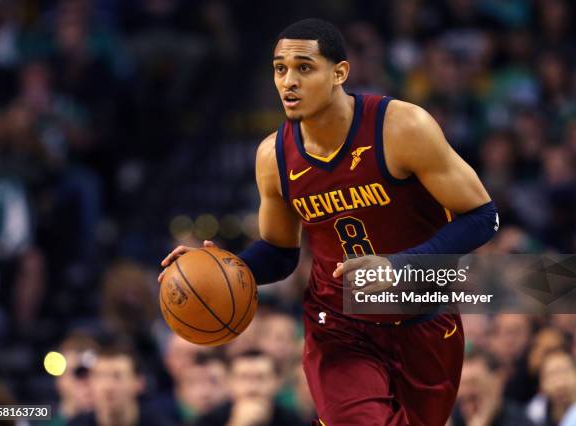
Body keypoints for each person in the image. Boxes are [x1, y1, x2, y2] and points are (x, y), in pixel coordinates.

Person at [159, 18, 498, 425]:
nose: (288, 81)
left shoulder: (400, 127)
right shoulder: (274, 156)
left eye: (304, 67)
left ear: (339, 73)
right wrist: (227, 269)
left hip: (423, 311)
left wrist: (400, 266)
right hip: (337, 324)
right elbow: (282, 253)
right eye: (279, 68)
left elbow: (483, 216)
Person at [67, 342, 172, 426]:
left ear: (139, 383)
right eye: (99, 376)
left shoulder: (161, 422)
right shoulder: (76, 423)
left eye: (117, 376)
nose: (107, 386)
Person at [195, 349, 302, 426]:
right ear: (229, 383)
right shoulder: (209, 420)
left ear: (277, 383)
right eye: (244, 377)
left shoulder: (293, 420)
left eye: (260, 378)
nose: (252, 387)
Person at [452, 349, 534, 426]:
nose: (466, 391)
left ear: (498, 381)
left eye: (473, 382)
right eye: (461, 383)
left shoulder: (520, 421)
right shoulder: (452, 418)